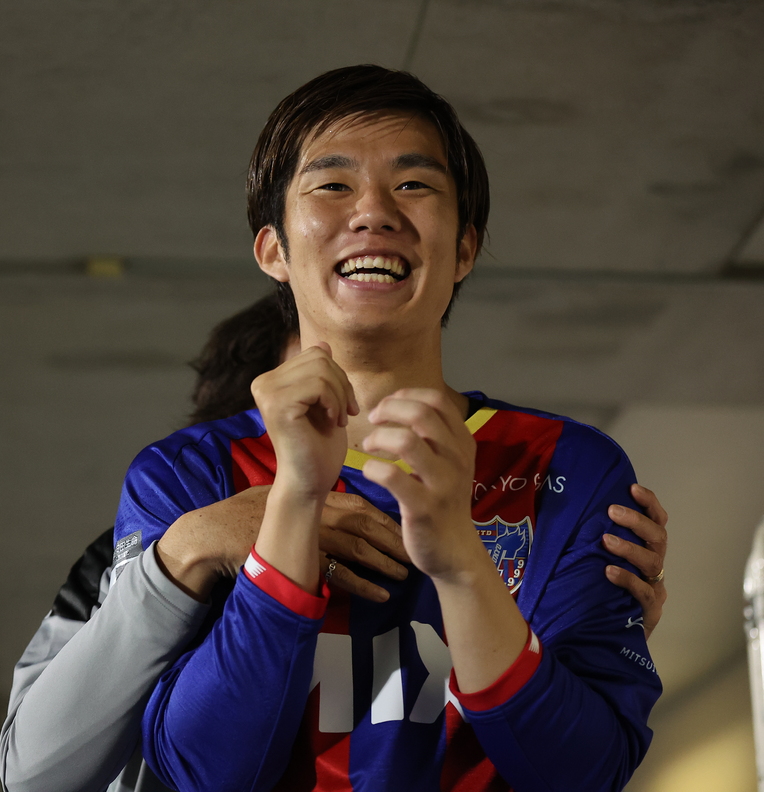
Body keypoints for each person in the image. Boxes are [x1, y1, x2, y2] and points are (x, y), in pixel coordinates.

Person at [118, 65, 663, 792]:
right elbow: (203, 772)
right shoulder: (183, 478)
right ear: (273, 250)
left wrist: (462, 564)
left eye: (413, 184)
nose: (373, 211)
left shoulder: (572, 468)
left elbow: (588, 770)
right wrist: (295, 501)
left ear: (464, 249)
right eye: (331, 185)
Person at [0, 288, 668, 791]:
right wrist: (192, 547)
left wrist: (577, 602)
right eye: (314, 396)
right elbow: (33, 772)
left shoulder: (531, 492)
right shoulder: (156, 536)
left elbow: (580, 752)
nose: (347, 424)